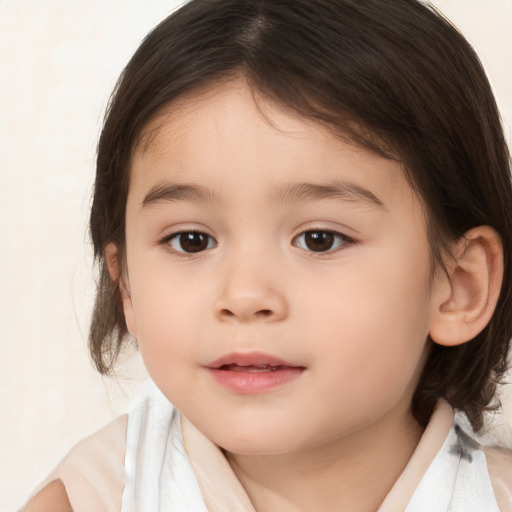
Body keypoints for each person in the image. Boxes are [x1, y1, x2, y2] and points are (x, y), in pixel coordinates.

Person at [22, 0, 512, 510]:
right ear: (127, 285)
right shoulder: (88, 501)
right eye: (191, 240)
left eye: (320, 239)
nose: (245, 295)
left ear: (458, 285)